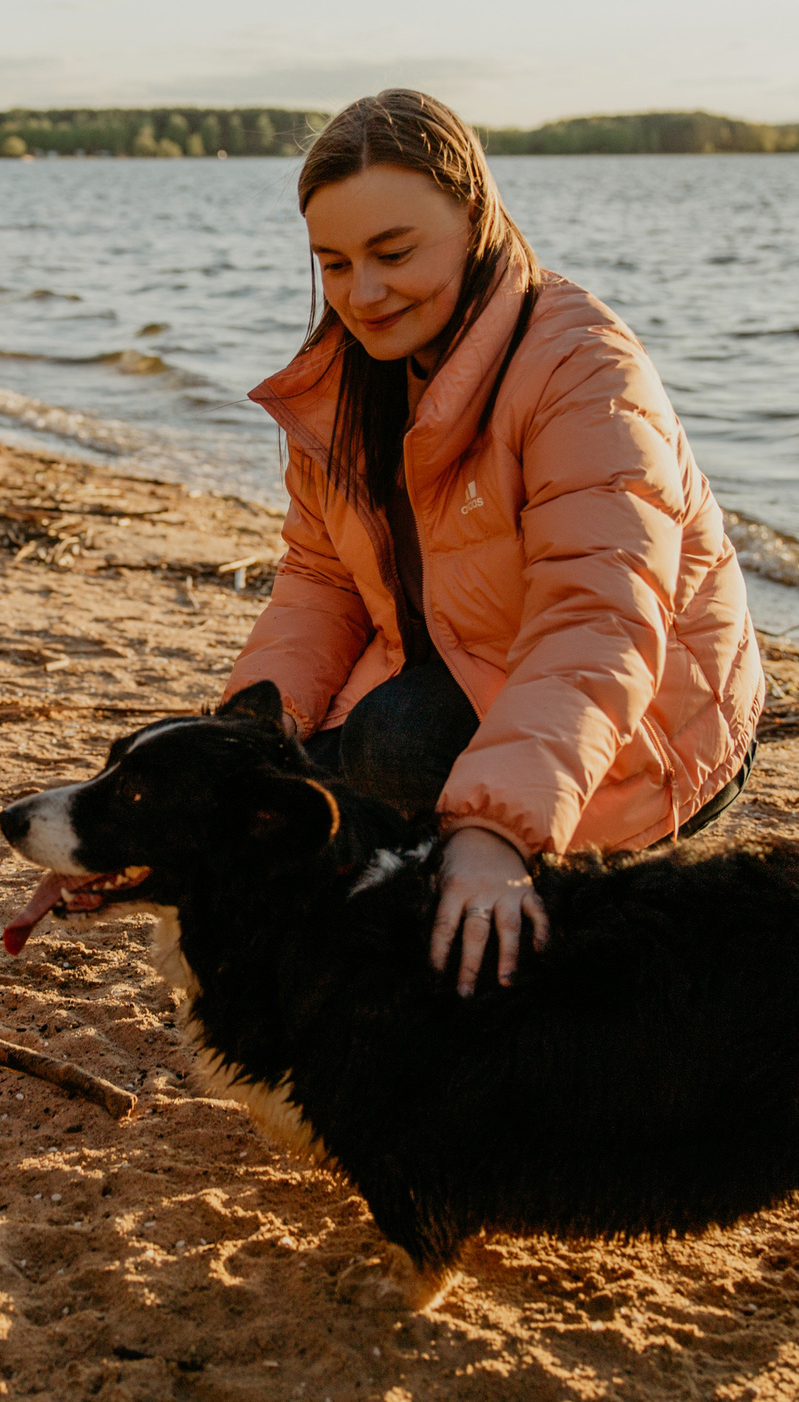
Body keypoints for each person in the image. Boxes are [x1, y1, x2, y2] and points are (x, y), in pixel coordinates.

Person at [223, 90, 766, 998]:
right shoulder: (348, 379)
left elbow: (601, 619)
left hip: (653, 719)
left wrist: (495, 827)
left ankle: (488, 887)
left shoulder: (584, 368)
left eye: (395, 254)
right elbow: (320, 581)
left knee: (393, 749)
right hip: (460, 673)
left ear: (474, 216)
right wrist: (244, 738)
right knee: (270, 807)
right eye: (334, 262)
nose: (362, 293)